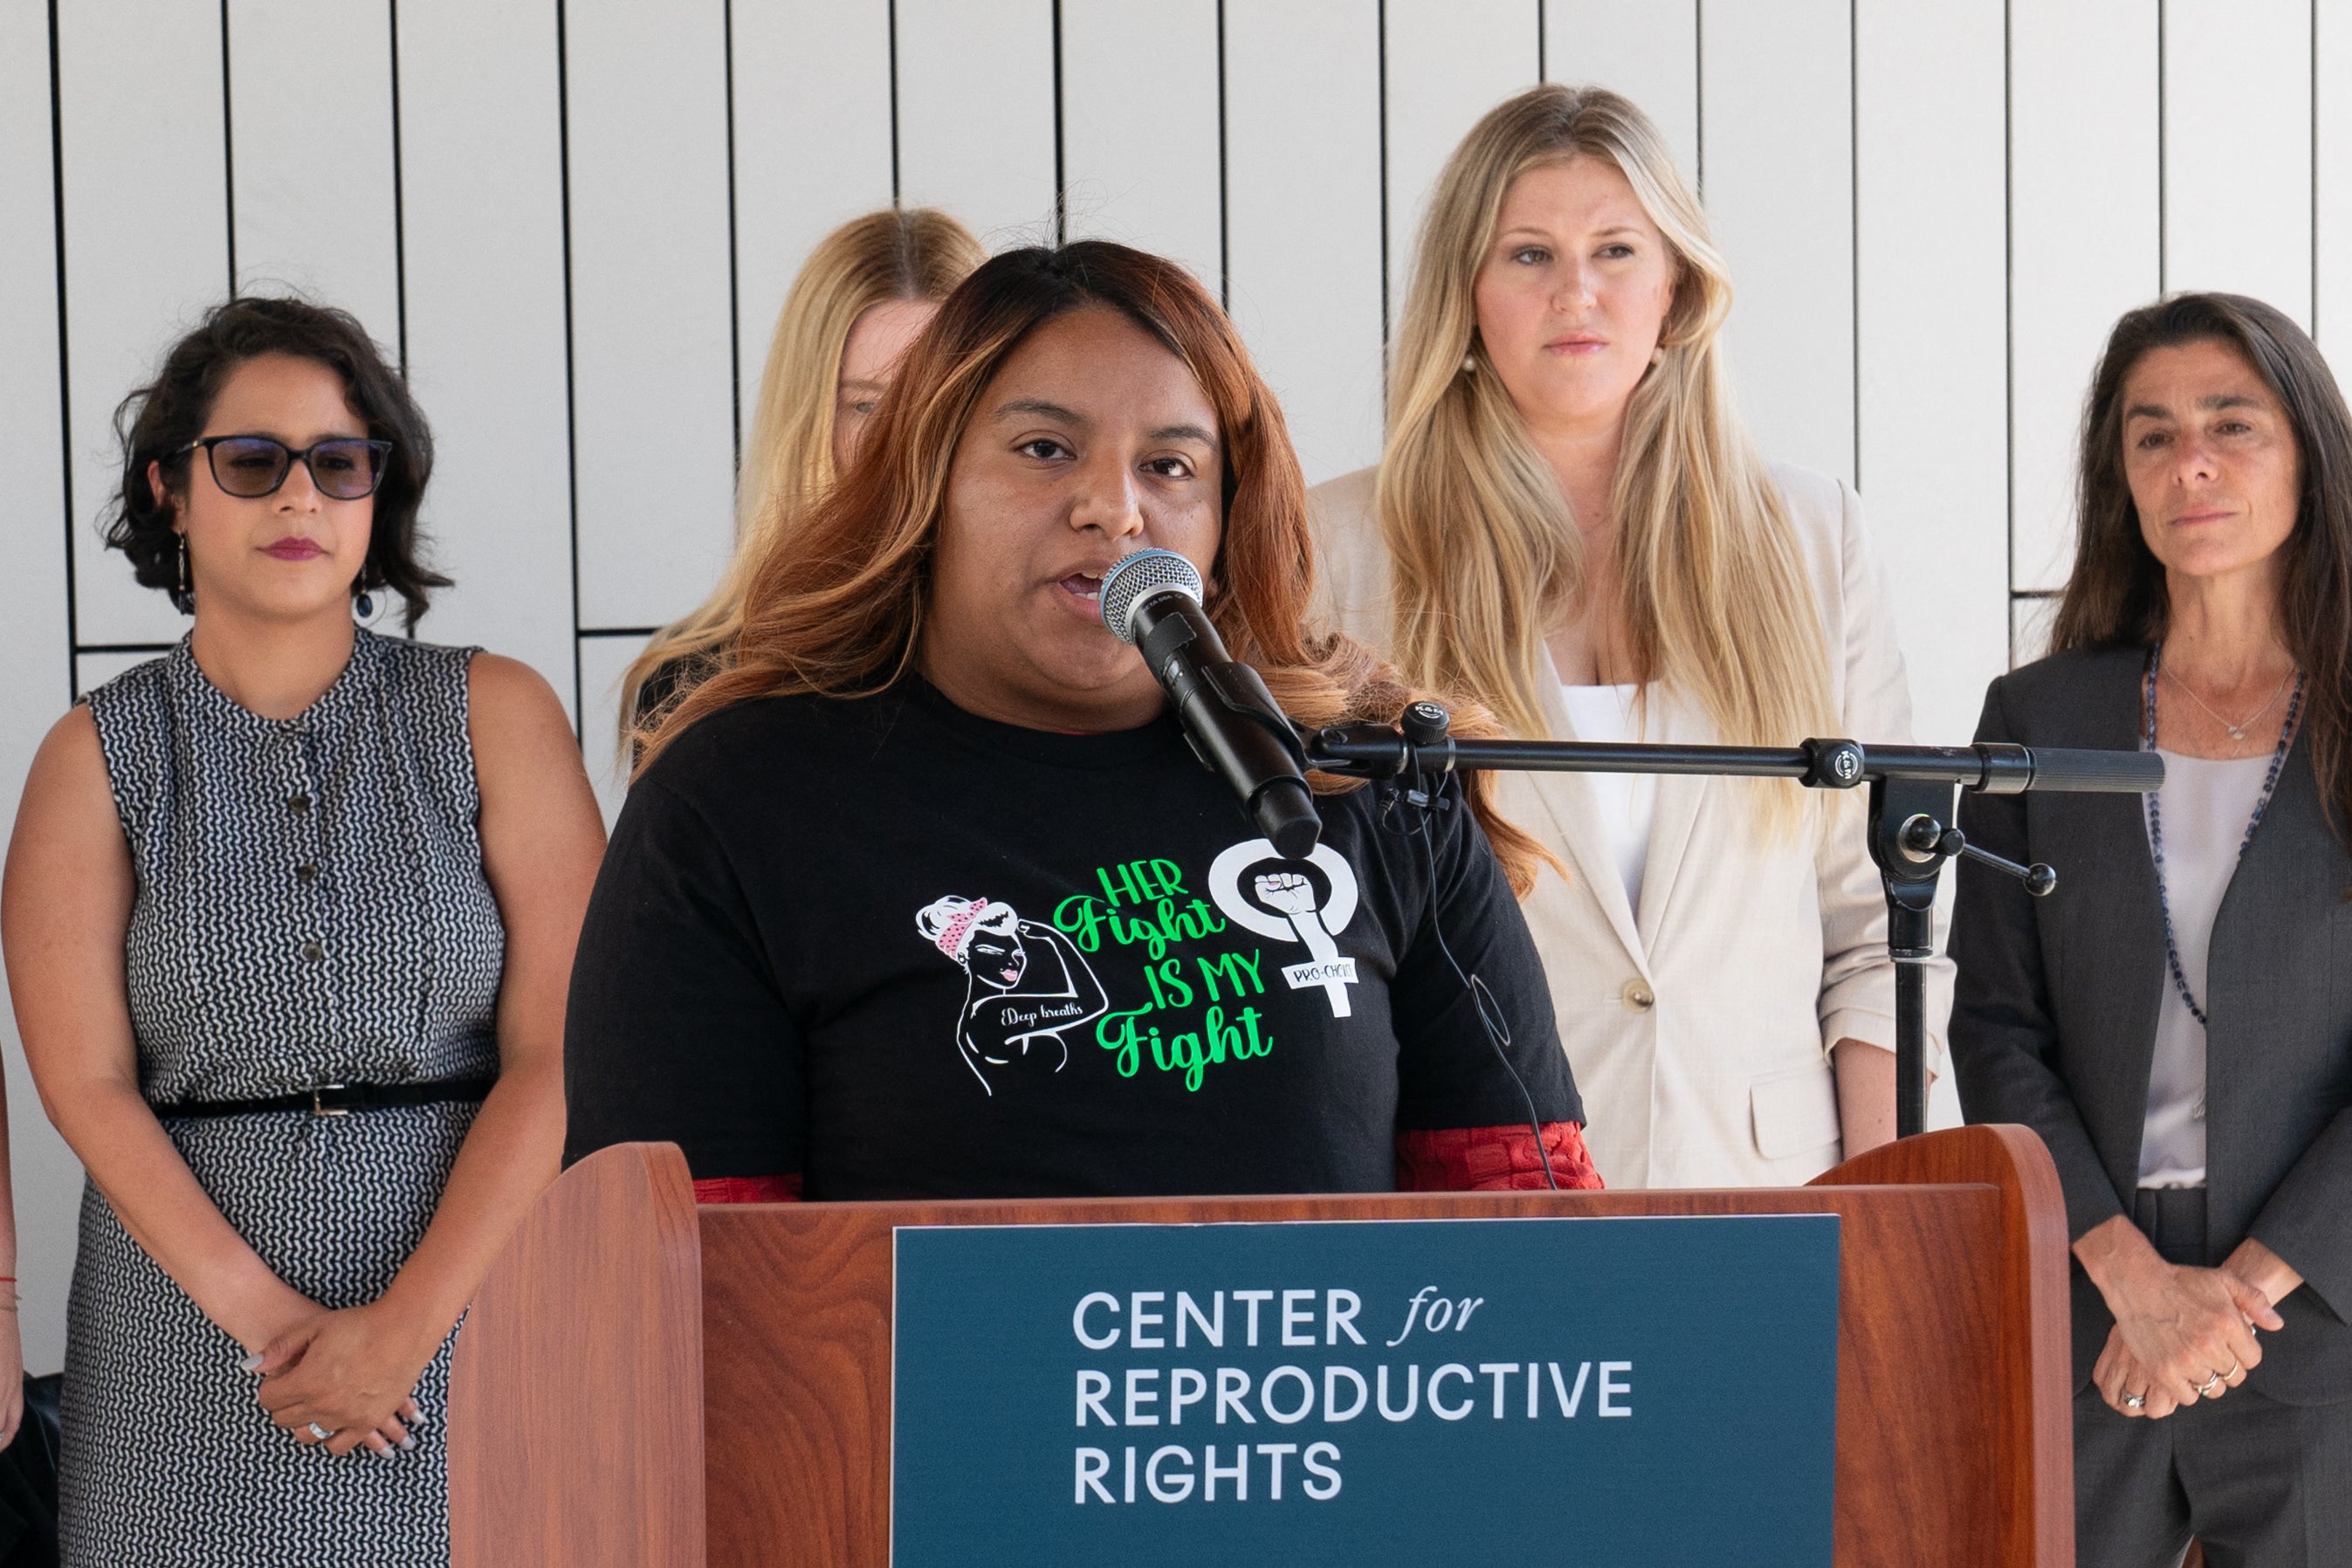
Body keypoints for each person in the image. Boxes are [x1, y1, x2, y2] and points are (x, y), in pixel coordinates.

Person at [565, 241, 1602, 1201]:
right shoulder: (738, 803)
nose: (1115, 507)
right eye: (1047, 447)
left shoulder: (1361, 776)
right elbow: (678, 1284)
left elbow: (1529, 1223)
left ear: (1226, 517)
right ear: (925, 483)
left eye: (1171, 465)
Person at [0, 297, 606, 1565]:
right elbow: (85, 1084)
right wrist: (273, 1328)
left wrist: (402, 1333)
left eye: (339, 464)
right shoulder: (93, 757)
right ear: (171, 488)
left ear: (377, 492)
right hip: (184, 1353)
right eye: (252, 461)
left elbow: (564, 1050)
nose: (300, 499)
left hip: (481, 1312)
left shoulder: (494, 713)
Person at [1308, 84, 1947, 1188]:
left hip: (1773, 1193)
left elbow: (1879, 926)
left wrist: (1885, 1214)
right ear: (1465, 290)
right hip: (1477, 1202)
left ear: (1678, 286)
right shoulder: (1338, 549)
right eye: (1527, 255)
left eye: (1616, 249)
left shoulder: (1811, 536)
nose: (1577, 293)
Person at [1950, 292, 2352, 1567]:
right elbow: (1994, 1027)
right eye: (2150, 435)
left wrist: (2235, 1297)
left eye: (2232, 425)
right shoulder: (2039, 711)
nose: (2190, 464)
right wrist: (2129, 1277)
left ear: (2307, 452)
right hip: (2082, 1299)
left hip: (2312, 1313)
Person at [620, 207, 986, 735]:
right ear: (809, 418)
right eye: (867, 407)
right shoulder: (700, 682)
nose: (906, 440)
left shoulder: (1063, 653)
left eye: (940, 402)